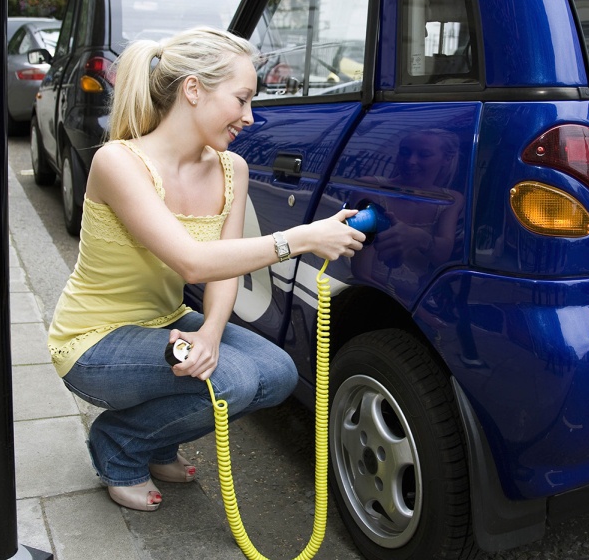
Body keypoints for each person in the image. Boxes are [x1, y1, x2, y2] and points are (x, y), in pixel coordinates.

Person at [47, 27, 365, 512]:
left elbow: (223, 271)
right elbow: (191, 261)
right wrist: (301, 239)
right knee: (233, 380)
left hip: (164, 321)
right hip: (95, 341)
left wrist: (212, 333)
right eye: (241, 99)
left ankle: (154, 441)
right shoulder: (119, 162)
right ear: (193, 90)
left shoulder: (231, 168)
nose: (249, 117)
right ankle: (119, 444)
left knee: (277, 373)